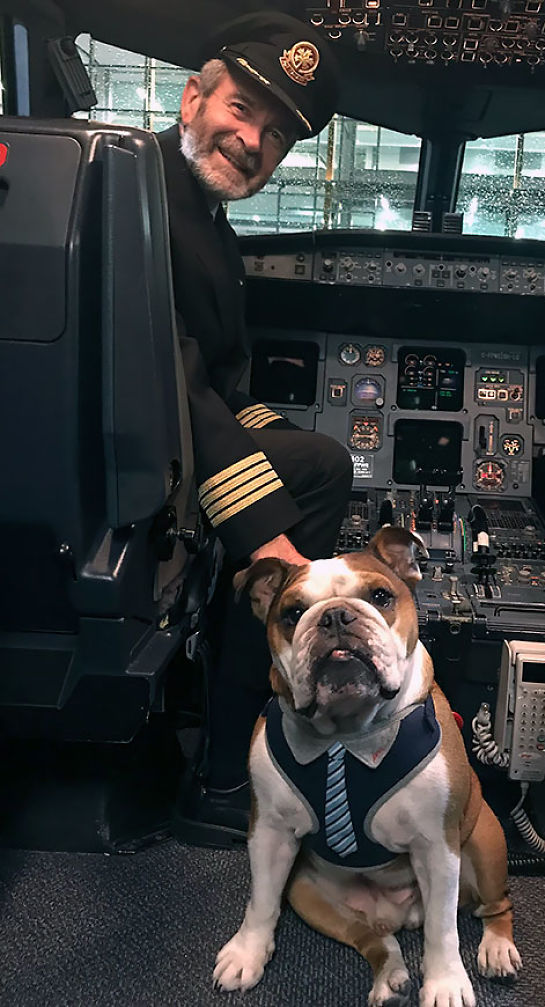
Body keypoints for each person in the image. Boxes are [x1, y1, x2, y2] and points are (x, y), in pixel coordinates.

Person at [156, 13, 353, 847]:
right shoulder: (146, 200)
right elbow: (174, 378)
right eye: (242, 109)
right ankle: (224, 771)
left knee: (315, 460)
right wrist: (268, 534)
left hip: (162, 419)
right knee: (316, 478)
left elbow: (227, 381)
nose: (251, 141)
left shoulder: (195, 209)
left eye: (274, 136)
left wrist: (284, 444)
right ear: (194, 97)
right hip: (148, 437)